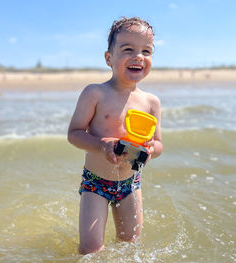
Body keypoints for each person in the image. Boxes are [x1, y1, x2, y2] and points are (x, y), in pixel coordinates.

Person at [67, 17, 163, 255]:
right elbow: (74, 133)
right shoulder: (95, 93)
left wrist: (151, 150)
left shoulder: (151, 102)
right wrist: (102, 144)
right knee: (90, 249)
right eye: (128, 49)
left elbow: (159, 144)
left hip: (131, 184)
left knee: (129, 246)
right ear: (109, 58)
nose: (138, 56)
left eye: (146, 51)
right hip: (96, 183)